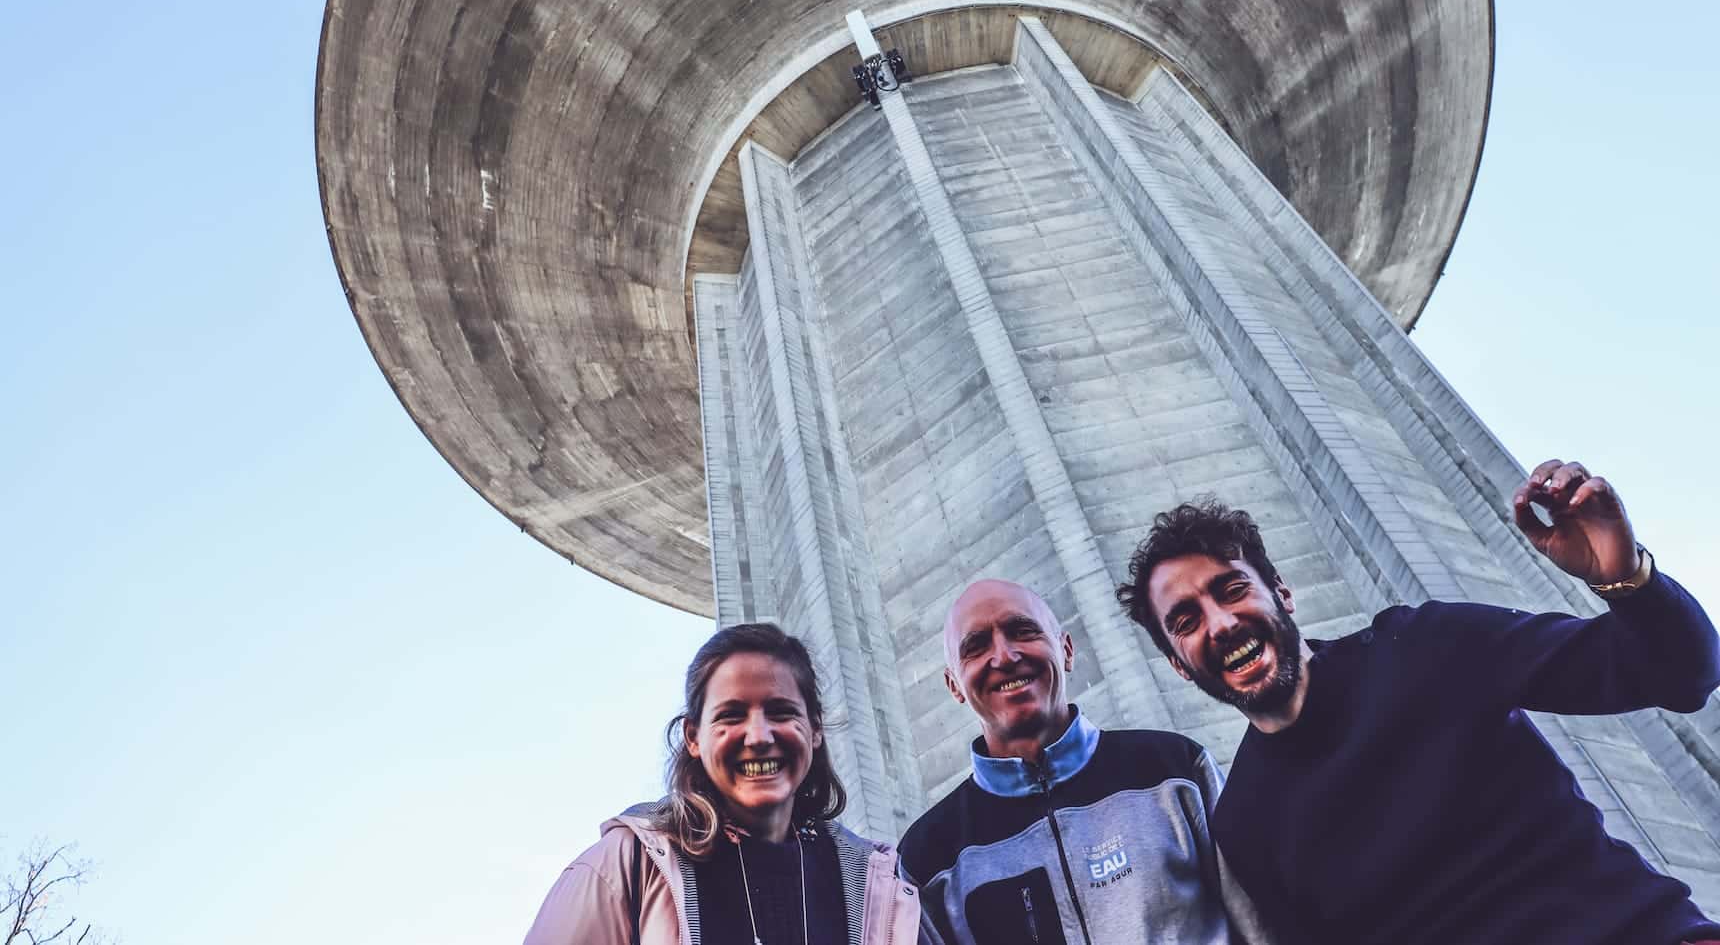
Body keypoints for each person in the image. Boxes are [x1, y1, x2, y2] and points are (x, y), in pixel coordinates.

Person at [1116, 458, 1720, 945]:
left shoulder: (1424, 644)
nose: (1220, 624)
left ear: (1282, 594)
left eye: (1232, 590)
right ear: (1178, 663)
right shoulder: (1246, 822)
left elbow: (1682, 676)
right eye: (1188, 620)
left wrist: (1625, 576)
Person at [899, 577, 1271, 944]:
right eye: (976, 646)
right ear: (954, 686)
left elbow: (1265, 923)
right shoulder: (927, 860)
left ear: (1067, 651)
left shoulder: (1174, 770)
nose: (1005, 656)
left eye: (1023, 631)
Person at [522, 622, 925, 945]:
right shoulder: (628, 865)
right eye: (731, 715)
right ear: (694, 738)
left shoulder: (879, 885)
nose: (759, 735)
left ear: (815, 730)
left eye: (781, 711)